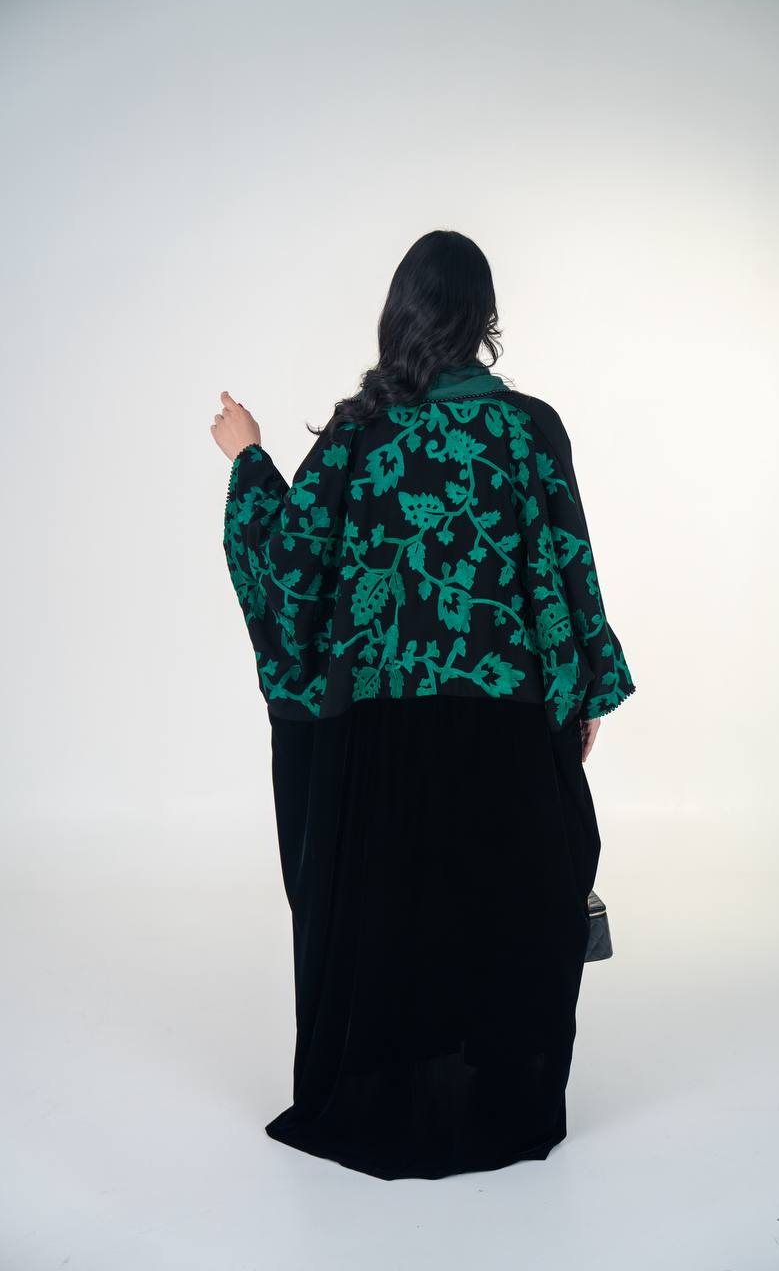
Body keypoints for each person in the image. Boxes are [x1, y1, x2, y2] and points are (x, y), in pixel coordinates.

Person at [211, 229, 635, 1181]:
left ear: (399, 313)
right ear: (483, 318)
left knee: (395, 913)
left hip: (380, 736)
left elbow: (289, 568)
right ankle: (496, 1098)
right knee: (503, 902)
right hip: (506, 723)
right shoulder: (529, 428)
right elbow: (565, 563)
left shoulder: (358, 431)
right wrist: (579, 696)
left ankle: (390, 1091)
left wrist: (248, 459)